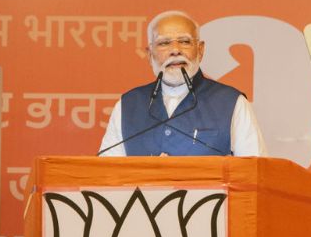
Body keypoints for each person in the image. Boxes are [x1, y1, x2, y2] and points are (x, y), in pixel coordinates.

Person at [99, 10, 267, 156]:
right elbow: (106, 176)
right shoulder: (128, 105)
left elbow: (255, 174)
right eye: (164, 43)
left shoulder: (231, 102)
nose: (175, 50)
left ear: (200, 50)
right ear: (150, 55)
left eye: (185, 41)